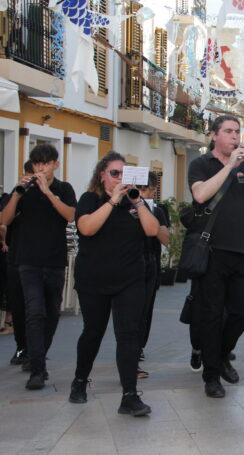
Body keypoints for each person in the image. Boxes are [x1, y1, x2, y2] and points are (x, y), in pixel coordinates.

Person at [68, 152, 159, 416]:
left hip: (130, 279)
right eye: (114, 173)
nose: (120, 178)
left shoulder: (134, 203)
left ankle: (129, 396)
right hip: (94, 280)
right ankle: (80, 381)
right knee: (93, 333)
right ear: (102, 175)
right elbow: (86, 228)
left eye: (124, 174)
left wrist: (138, 202)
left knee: (129, 335)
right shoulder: (89, 200)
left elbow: (152, 231)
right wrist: (113, 200)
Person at [187, 114, 244, 397]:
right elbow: (200, 195)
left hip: (241, 250)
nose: (235, 136)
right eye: (228, 131)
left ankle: (222, 354)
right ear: (214, 136)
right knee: (211, 315)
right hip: (211, 251)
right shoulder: (201, 164)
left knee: (243, 310)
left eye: (237, 132)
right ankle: (211, 375)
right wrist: (229, 166)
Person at [0, 144, 76, 390]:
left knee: (51, 314)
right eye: (37, 164)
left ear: (56, 164)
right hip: (27, 261)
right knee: (35, 312)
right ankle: (38, 368)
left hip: (54, 261)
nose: (41, 168)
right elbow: (4, 220)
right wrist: (17, 194)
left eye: (45, 163)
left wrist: (48, 193)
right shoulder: (22, 190)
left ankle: (38, 355)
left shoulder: (64, 189)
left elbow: (70, 216)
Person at [136, 172, 170, 379]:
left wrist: (148, 214)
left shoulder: (159, 210)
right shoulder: (126, 207)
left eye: (147, 190)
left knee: (146, 310)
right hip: (130, 266)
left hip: (150, 265)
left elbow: (166, 239)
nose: (144, 193)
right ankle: (131, 349)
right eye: (140, 189)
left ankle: (139, 347)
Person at [1, 161, 34, 364]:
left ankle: (35, 349)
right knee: (18, 305)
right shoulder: (13, 195)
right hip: (15, 259)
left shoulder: (52, 195)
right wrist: (17, 194)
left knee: (36, 307)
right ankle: (22, 345)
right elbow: (4, 221)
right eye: (29, 173)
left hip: (38, 260)